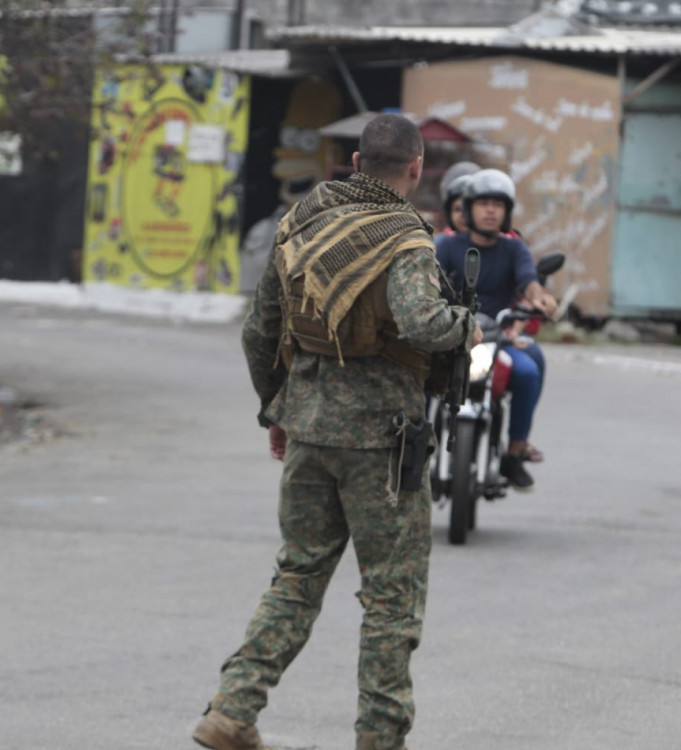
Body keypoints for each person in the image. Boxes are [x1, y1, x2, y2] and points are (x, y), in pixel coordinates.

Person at [194, 114, 479, 750]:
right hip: (384, 443)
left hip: (310, 428)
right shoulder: (405, 238)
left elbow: (258, 330)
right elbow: (423, 322)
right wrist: (467, 324)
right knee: (390, 597)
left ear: (355, 162)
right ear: (415, 169)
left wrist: (278, 411)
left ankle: (231, 711)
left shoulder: (304, 220)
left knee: (296, 577)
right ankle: (380, 738)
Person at [435, 169, 557, 490]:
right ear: (469, 208)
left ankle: (513, 453)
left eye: (498, 205)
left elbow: (528, 281)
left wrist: (540, 298)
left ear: (507, 212)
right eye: (484, 203)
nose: (491, 210)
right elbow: (427, 279)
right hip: (450, 339)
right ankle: (412, 446)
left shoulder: (513, 249)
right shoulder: (446, 246)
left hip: (497, 339)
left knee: (529, 371)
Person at [436, 160, 480, 236]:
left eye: (470, 208)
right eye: (458, 209)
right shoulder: (442, 244)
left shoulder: (502, 243)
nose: (464, 215)